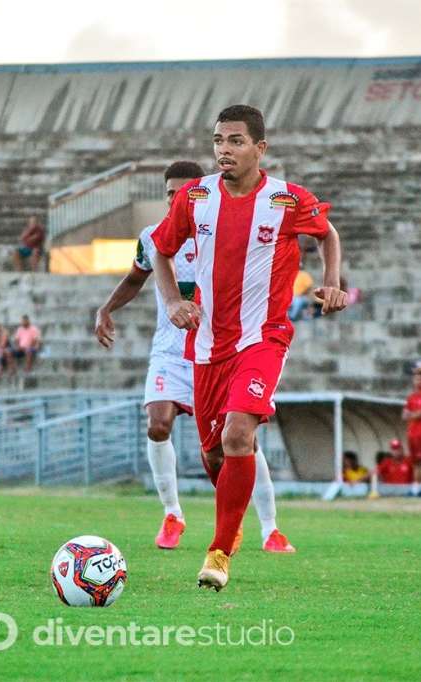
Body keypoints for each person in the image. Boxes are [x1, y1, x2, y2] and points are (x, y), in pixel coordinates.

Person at [151, 104, 346, 590]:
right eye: (218, 140)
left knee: (240, 436)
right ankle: (231, 519)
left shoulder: (285, 199)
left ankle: (218, 554)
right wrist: (174, 300)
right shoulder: (195, 197)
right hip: (208, 344)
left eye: (235, 141)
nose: (224, 150)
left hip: (263, 338)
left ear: (260, 148)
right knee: (216, 456)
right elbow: (160, 249)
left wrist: (332, 283)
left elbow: (328, 234)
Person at [95, 160, 295, 554]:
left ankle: (268, 528)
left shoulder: (224, 230)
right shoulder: (153, 238)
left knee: (238, 442)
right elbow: (135, 279)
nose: (178, 199)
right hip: (171, 352)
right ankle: (173, 514)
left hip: (220, 351)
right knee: (157, 424)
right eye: (170, 193)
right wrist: (106, 309)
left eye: (186, 191)